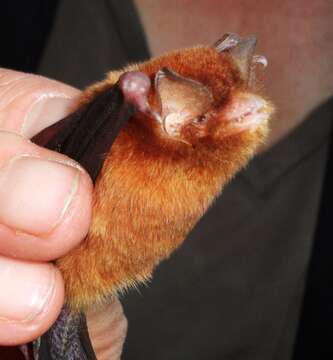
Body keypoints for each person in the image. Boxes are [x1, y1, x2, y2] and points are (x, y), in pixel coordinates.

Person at [0, 0, 332, 359]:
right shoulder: (128, 146)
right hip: (59, 267)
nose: (247, 106)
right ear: (173, 122)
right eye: (206, 114)